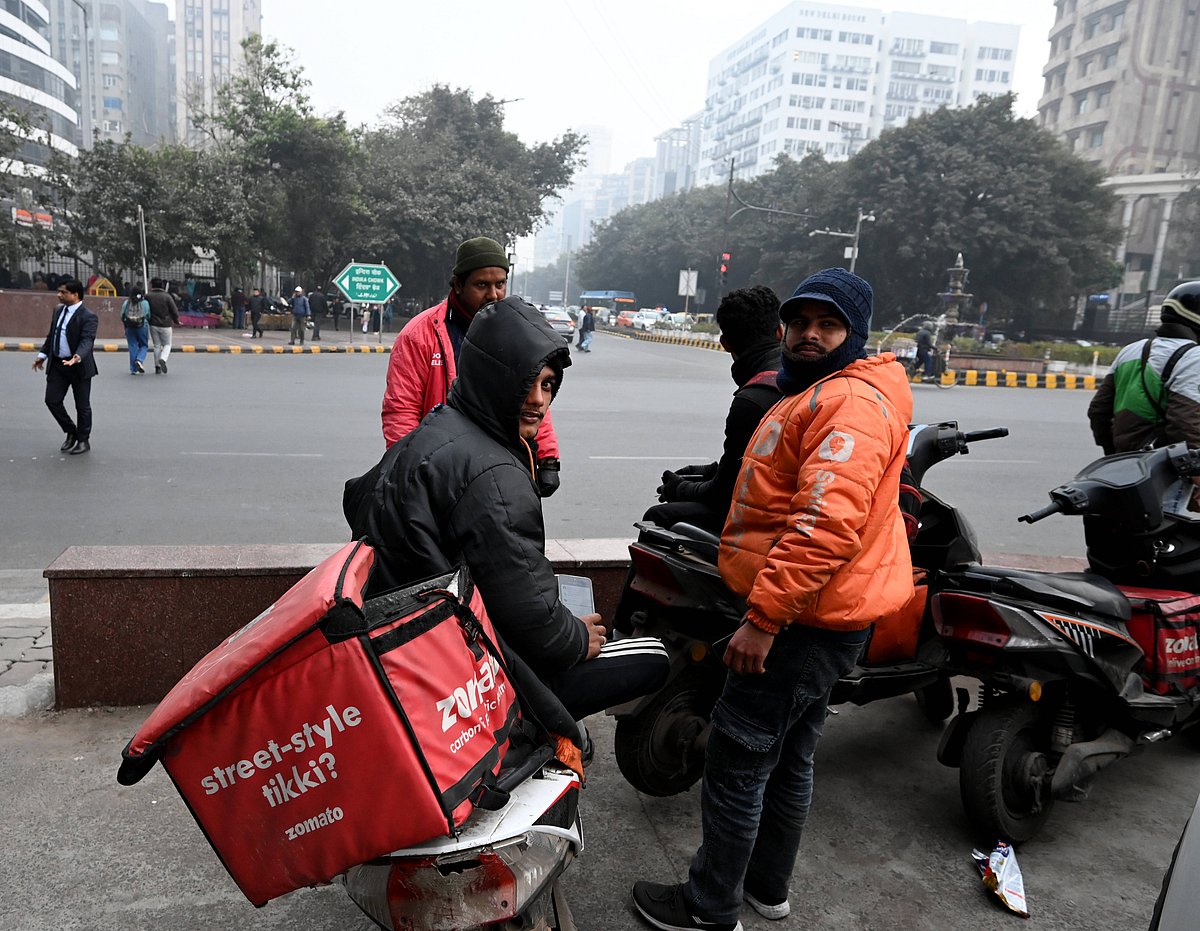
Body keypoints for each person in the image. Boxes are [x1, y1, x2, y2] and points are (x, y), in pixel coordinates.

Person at [632, 269, 915, 931]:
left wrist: (762, 620)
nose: (810, 335)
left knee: (738, 758)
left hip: (799, 620)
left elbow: (821, 526)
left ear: (855, 335)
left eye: (829, 324)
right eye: (801, 322)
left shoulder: (844, 406)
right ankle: (766, 886)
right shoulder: (820, 392)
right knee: (792, 754)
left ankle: (708, 907)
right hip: (825, 614)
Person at [346, 296, 668, 721]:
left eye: (549, 385)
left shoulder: (437, 429)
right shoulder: (493, 473)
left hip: (411, 641)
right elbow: (532, 617)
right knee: (653, 656)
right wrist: (574, 638)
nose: (538, 400)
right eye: (527, 382)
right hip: (469, 672)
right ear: (495, 378)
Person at [382, 236, 562, 496]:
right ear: (457, 285)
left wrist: (547, 458)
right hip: (440, 469)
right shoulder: (419, 335)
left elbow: (534, 396)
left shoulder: (516, 334)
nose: (493, 295)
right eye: (481, 285)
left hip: (502, 467)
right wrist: (409, 469)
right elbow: (401, 410)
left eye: (500, 284)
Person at [644, 285, 783, 535]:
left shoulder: (752, 398)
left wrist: (678, 489)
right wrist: (707, 471)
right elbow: (749, 463)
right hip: (787, 503)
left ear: (725, 343)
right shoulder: (797, 378)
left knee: (657, 517)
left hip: (765, 519)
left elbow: (723, 494)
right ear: (780, 332)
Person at [1088, 281, 1200, 456]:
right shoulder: (1194, 357)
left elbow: (1099, 411)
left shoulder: (1132, 349)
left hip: (1126, 464)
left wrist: (1113, 454)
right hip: (1167, 470)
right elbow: (1185, 424)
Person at [33, 279, 98, 455]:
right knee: (52, 400)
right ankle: (71, 431)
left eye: (63, 292)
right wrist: (42, 355)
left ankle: (83, 441)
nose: (59, 295)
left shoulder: (88, 316)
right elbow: (52, 334)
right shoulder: (58, 310)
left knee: (82, 406)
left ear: (75, 295)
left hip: (79, 366)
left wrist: (77, 357)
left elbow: (87, 340)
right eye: (59, 292)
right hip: (58, 365)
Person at [147, 278, 180, 375]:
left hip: (153, 324)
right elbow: (174, 310)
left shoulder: (148, 296)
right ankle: (163, 359)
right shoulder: (167, 296)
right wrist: (176, 320)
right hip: (166, 324)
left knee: (157, 345)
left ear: (152, 285)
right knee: (167, 344)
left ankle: (157, 367)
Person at [120, 287, 150, 375]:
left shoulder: (126, 303)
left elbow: (122, 315)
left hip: (129, 327)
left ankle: (134, 369)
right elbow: (148, 315)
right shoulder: (145, 303)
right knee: (144, 345)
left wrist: (125, 324)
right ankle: (139, 360)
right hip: (142, 326)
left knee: (132, 346)